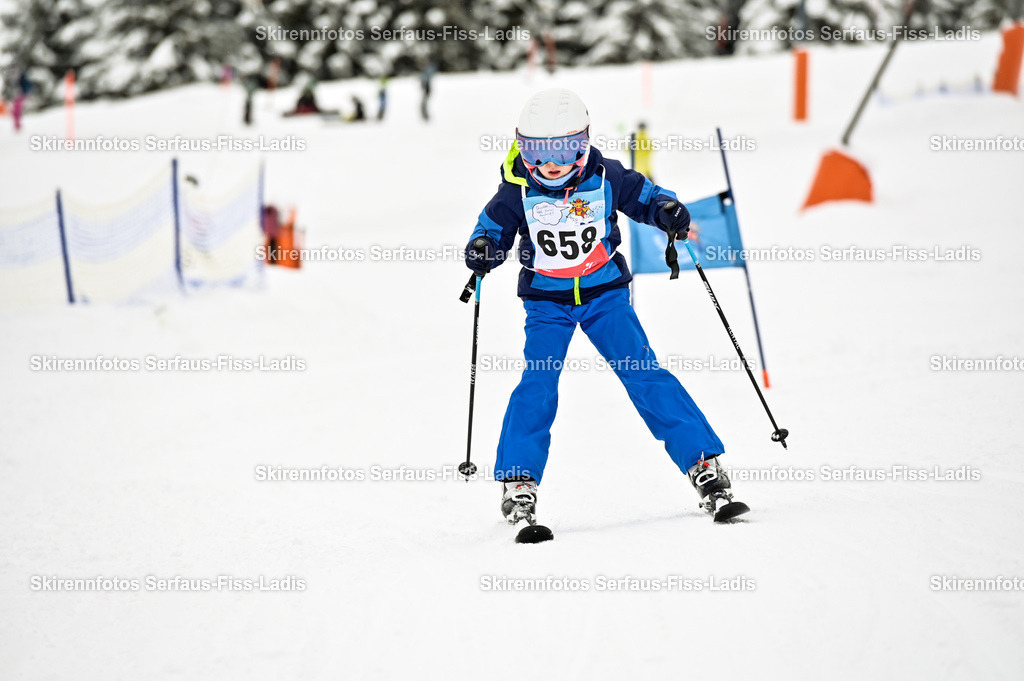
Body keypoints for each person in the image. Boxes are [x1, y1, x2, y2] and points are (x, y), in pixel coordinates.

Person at [463, 89, 747, 527]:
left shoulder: (605, 177)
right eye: (536, 150)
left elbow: (647, 197)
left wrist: (667, 210)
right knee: (537, 383)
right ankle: (519, 481)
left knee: (643, 372)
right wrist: (483, 249)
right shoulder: (515, 190)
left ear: (582, 144)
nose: (549, 163)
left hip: (605, 295)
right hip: (546, 303)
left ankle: (703, 464)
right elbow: (492, 231)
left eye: (562, 148)